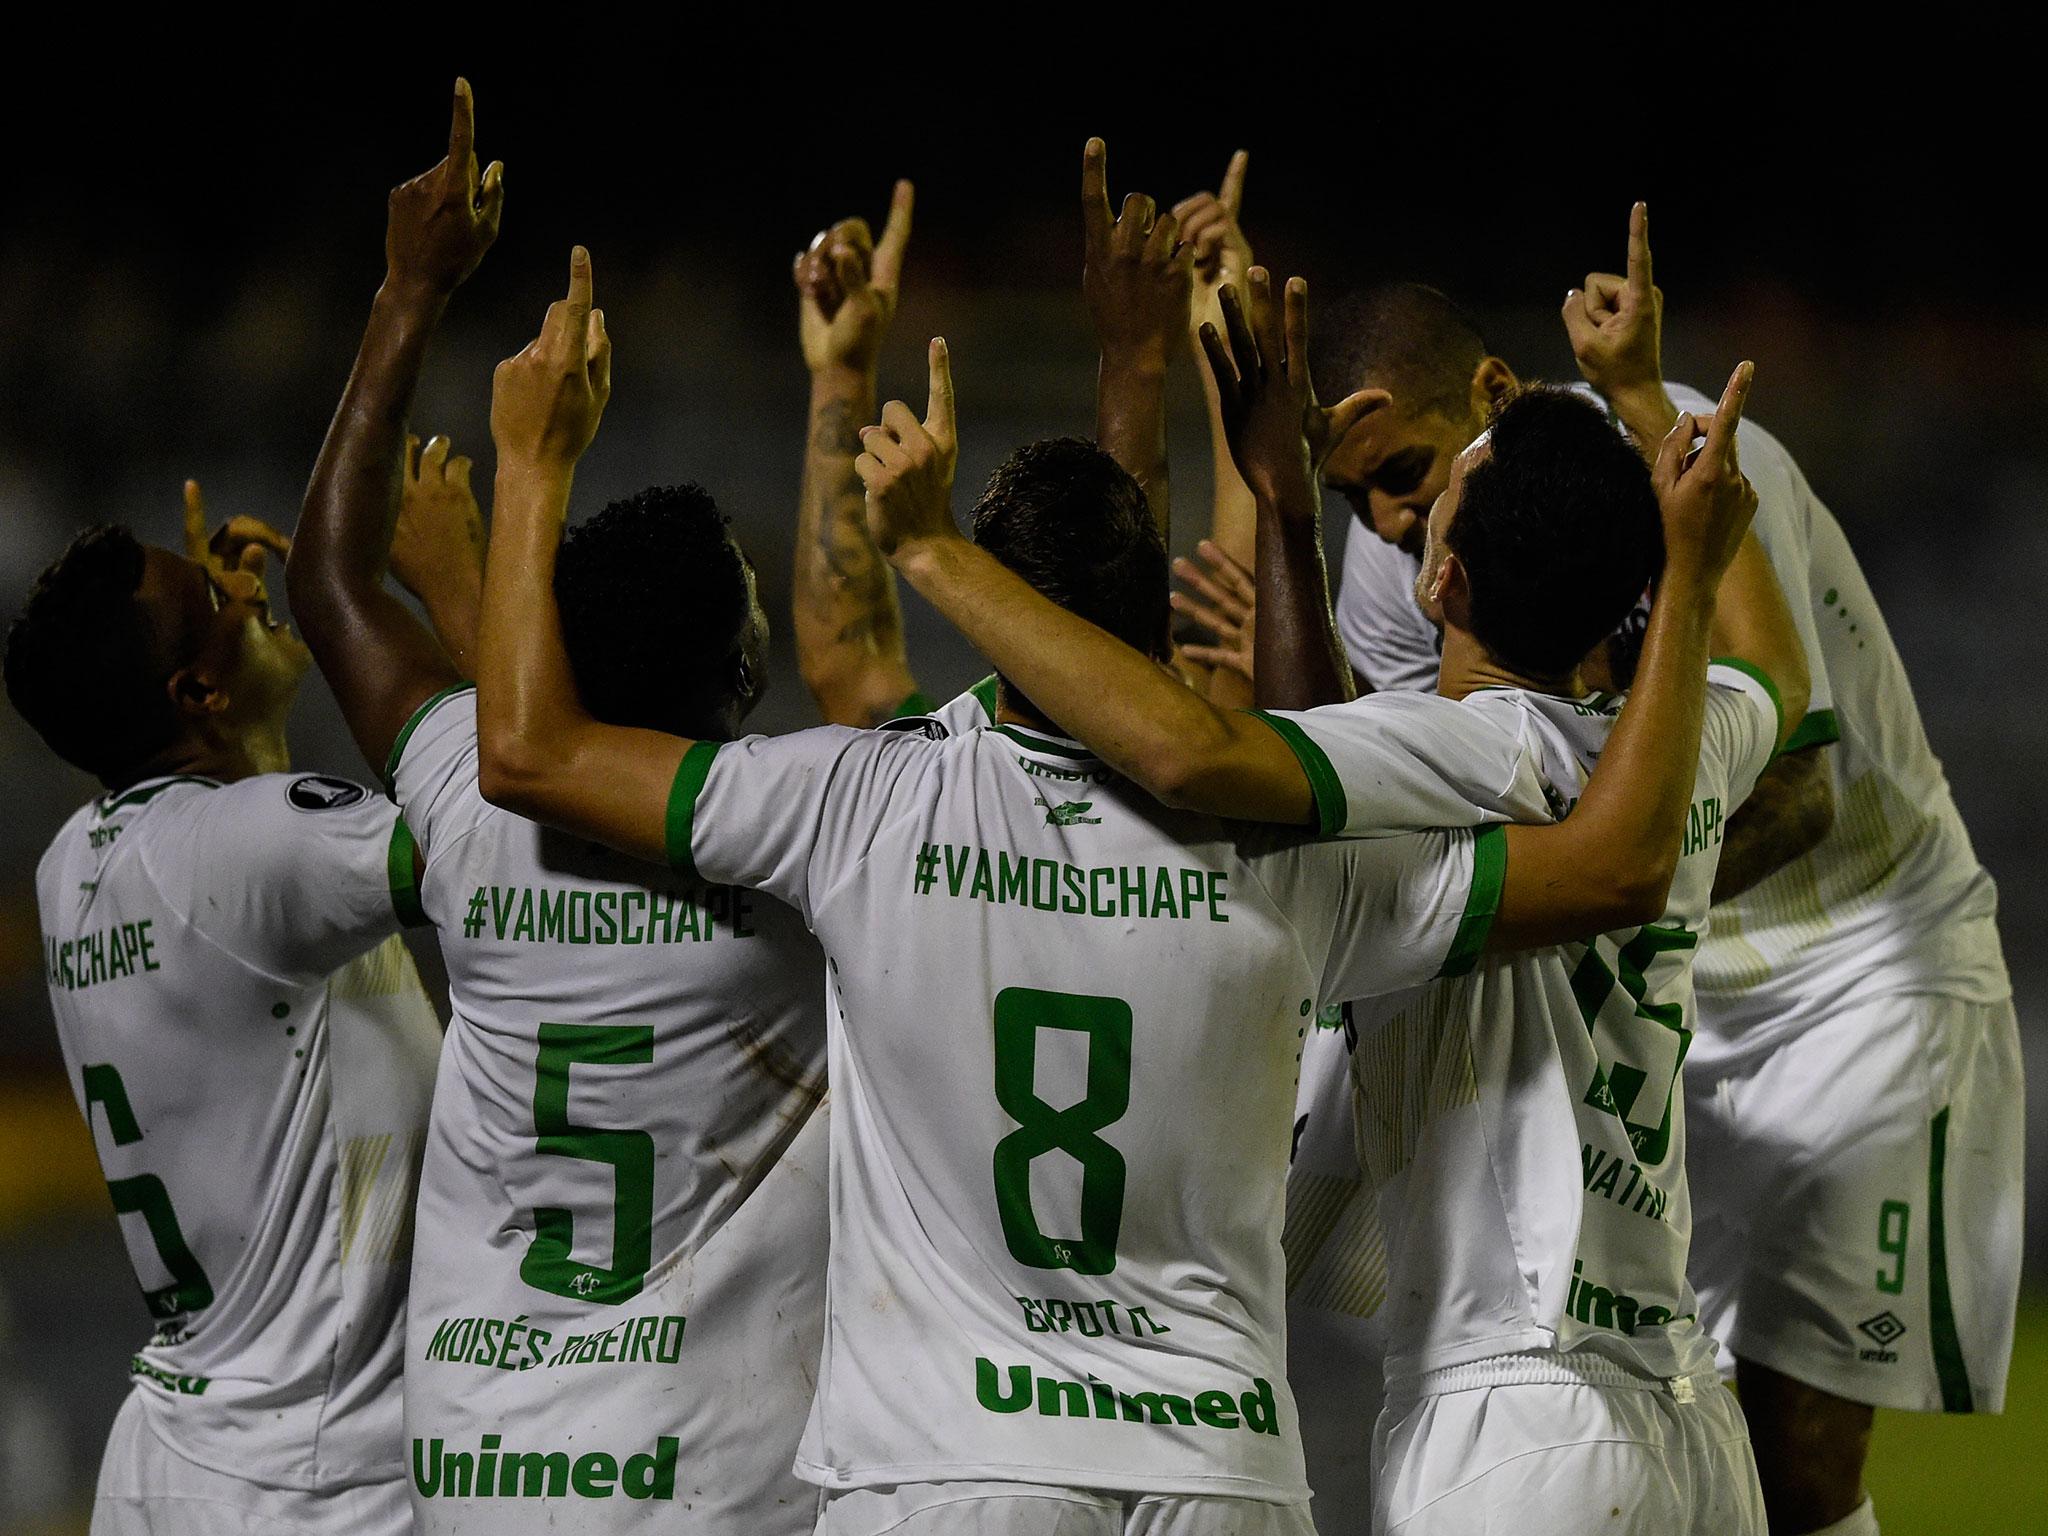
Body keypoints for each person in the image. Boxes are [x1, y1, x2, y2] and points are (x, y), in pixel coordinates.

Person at [466, 232, 1765, 1531]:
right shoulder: (1301, 864)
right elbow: (1603, 864)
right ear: (1155, 631)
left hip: (952, 1460)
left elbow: (540, 750)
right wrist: (1178, 400)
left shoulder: (869, 802)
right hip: (1227, 1465)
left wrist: (532, 461)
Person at [284, 84, 831, 1533]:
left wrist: (410, 293)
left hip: (480, 1466)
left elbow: (330, 583)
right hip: (703, 1472)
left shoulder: (469, 800)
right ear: (745, 673)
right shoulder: (808, 836)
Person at [1564, 205, 2022, 1536]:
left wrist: (1605, 891)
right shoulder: (1423, 535)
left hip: (1864, 976)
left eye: (1406, 486)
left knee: (1798, 1452)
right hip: (1688, 999)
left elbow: (1801, 790)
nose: (1402, 531)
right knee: (1682, 1428)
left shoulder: (1716, 464)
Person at [7, 489, 446, 1532]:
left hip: (170, 1451)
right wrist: (398, 601)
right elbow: (487, 833)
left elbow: (256, 873)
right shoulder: (249, 851)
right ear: (196, 689)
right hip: (313, 1474)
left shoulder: (71, 864)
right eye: (219, 593)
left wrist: (231, 686)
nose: (252, 584)